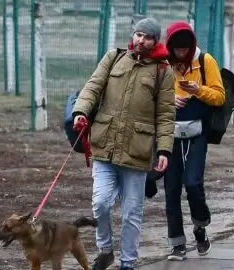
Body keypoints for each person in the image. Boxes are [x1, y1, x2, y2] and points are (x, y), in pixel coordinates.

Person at [71, 17, 175, 270]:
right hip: (104, 146)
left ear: (155, 41)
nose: (141, 40)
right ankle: (105, 250)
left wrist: (163, 149)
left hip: (137, 153)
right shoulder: (114, 58)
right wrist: (80, 111)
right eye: (138, 34)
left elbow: (165, 114)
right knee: (100, 203)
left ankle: (128, 263)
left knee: (131, 214)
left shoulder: (163, 71)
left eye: (147, 36)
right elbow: (92, 87)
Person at [161, 20, 224, 261]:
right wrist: (170, 99)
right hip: (171, 134)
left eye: (185, 49)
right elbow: (152, 95)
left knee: (193, 183)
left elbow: (219, 97)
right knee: (171, 189)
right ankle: (176, 243)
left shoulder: (205, 61)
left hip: (197, 133)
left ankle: (200, 226)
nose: (182, 54)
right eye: (177, 50)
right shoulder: (163, 65)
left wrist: (198, 90)